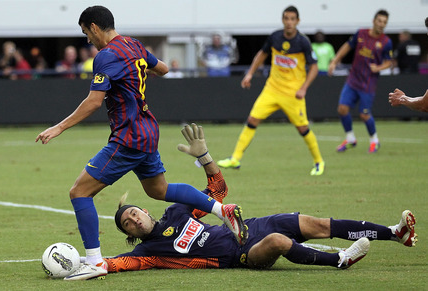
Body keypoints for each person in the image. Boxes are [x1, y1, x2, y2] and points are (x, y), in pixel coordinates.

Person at [35, 6, 247, 281]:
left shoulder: (106, 56)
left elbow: (94, 101)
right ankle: (222, 210)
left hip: (129, 136)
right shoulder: (133, 44)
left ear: (95, 27)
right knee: (159, 189)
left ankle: (96, 262)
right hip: (148, 130)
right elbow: (164, 68)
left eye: (86, 33)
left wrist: (59, 127)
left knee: (79, 192)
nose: (88, 39)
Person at [103, 124, 418, 274]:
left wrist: (205, 157)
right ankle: (339, 260)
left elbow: (218, 191)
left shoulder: (178, 212)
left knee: (317, 224)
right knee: (279, 241)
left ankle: (394, 233)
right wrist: (86, 264)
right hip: (242, 254)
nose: (133, 220)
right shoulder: (150, 252)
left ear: (144, 210)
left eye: (132, 213)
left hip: (250, 226)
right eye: (128, 225)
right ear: (131, 235)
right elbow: (118, 264)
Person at [217, 6, 325, 176]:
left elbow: (314, 67)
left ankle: (319, 162)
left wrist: (304, 88)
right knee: (252, 120)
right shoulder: (275, 37)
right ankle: (235, 158)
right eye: (286, 18)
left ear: (298, 21)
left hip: (293, 93)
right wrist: (250, 74)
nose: (289, 22)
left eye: (292, 19)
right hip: (272, 89)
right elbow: (261, 54)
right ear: (283, 20)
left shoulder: (303, 42)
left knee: (302, 129)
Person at [328, 10, 393, 153]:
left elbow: (389, 62)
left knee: (364, 114)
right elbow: (347, 46)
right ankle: (350, 139)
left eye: (384, 22)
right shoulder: (361, 34)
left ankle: (374, 141)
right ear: (374, 21)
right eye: (379, 21)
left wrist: (379, 67)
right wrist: (334, 61)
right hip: (353, 80)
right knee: (342, 109)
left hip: (368, 84)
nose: (381, 24)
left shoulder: (386, 42)